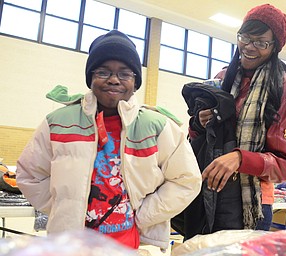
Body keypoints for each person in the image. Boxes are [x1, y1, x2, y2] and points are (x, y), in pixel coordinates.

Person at [16, 30, 202, 250]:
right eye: (103, 72)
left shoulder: (158, 126)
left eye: (125, 73)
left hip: (130, 243)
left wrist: (142, 216)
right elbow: (29, 175)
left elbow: (186, 180)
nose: (114, 79)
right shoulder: (58, 122)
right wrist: (65, 207)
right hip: (69, 246)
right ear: (90, 78)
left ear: (136, 82)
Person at [185, 3, 286, 236]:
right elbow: (198, 138)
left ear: (275, 47)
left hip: (251, 204)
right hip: (206, 194)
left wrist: (240, 159)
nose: (249, 48)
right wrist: (198, 123)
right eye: (245, 38)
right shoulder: (222, 79)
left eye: (261, 43)